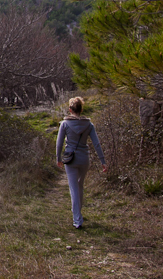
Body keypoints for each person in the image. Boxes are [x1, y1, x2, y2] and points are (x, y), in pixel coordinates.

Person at [56, 96, 107, 229]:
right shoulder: (89, 125)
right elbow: (96, 143)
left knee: (73, 188)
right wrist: (103, 161)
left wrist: (58, 159)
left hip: (70, 159)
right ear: (81, 109)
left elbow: (59, 143)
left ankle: (77, 219)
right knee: (80, 186)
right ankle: (78, 213)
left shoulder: (64, 124)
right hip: (84, 158)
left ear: (70, 109)